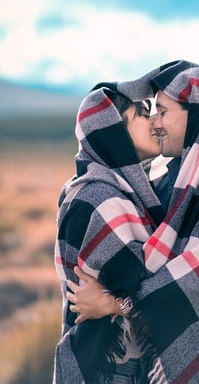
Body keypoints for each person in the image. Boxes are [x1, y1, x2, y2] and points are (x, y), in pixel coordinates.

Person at [65, 60, 199, 384]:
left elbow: (190, 291)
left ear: (198, 114)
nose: (155, 121)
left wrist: (112, 304)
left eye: (164, 112)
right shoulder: (176, 183)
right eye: (150, 112)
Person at [53, 86, 165, 383]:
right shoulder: (101, 200)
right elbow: (158, 292)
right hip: (108, 368)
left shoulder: (121, 193)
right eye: (142, 114)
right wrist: (116, 304)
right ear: (116, 132)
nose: (155, 122)